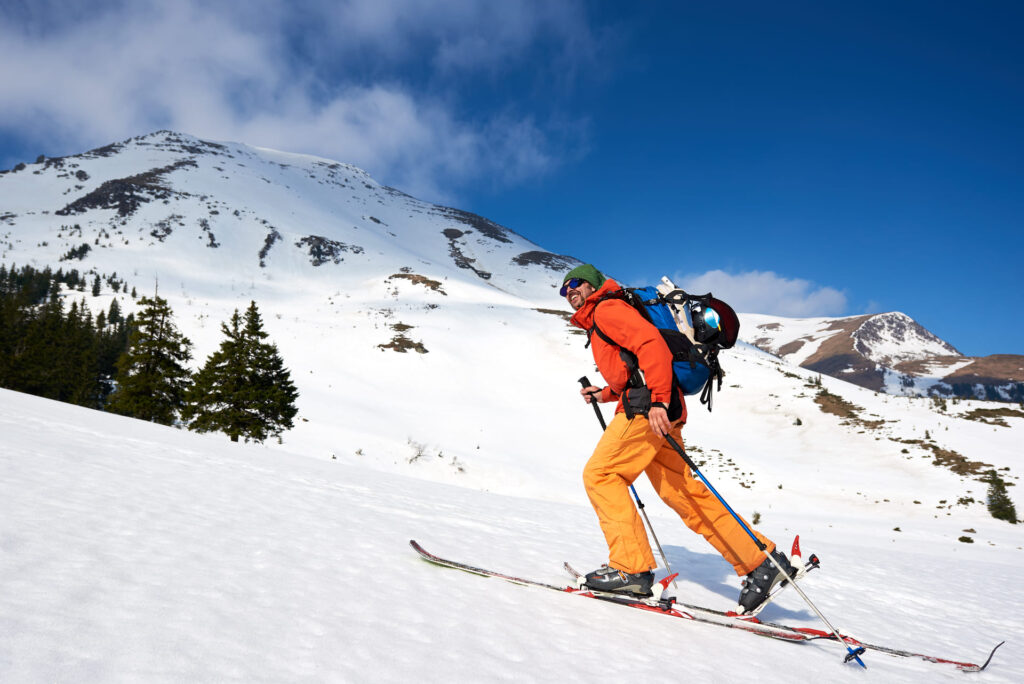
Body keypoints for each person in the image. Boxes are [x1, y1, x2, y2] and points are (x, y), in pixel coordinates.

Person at [561, 263, 793, 613]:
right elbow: (633, 369)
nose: (570, 293)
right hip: (660, 406)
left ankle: (630, 570)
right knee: (683, 491)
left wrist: (655, 400)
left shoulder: (607, 309)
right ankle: (761, 563)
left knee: (602, 475)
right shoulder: (604, 314)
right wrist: (605, 394)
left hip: (646, 410)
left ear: (593, 284)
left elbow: (651, 344)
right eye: (564, 291)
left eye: (575, 284)